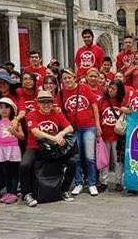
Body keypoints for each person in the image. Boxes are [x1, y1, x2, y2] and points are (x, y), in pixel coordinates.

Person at [21, 90, 75, 207]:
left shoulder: (56, 113)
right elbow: (35, 132)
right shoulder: (31, 114)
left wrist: (60, 134)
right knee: (25, 165)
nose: (46, 105)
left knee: (72, 162)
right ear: (38, 103)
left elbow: (70, 127)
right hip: (35, 147)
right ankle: (26, 193)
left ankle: (64, 190)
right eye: (43, 102)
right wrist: (54, 138)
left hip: (53, 148)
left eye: (49, 102)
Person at [59, 69, 102, 197]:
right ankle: (78, 182)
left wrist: (98, 125)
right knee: (76, 157)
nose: (67, 80)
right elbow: (60, 111)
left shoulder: (84, 88)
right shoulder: (61, 93)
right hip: (73, 129)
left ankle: (92, 183)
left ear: (74, 77)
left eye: (69, 77)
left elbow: (94, 107)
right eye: (64, 78)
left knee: (90, 156)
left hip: (89, 126)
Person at [0, 98, 24, 204]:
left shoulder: (15, 122)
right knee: (6, 172)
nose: (4, 110)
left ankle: (14, 193)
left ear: (11, 109)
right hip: (1, 149)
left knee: (14, 171)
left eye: (6, 107)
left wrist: (14, 132)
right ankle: (8, 191)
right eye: (1, 107)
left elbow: (22, 136)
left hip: (13, 149)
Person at [98, 80, 125, 192]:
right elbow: (98, 116)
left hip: (117, 135)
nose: (110, 90)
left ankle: (119, 181)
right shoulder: (102, 101)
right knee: (104, 159)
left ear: (119, 90)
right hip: (104, 134)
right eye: (109, 88)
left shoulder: (122, 102)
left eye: (114, 89)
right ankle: (103, 181)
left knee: (117, 160)